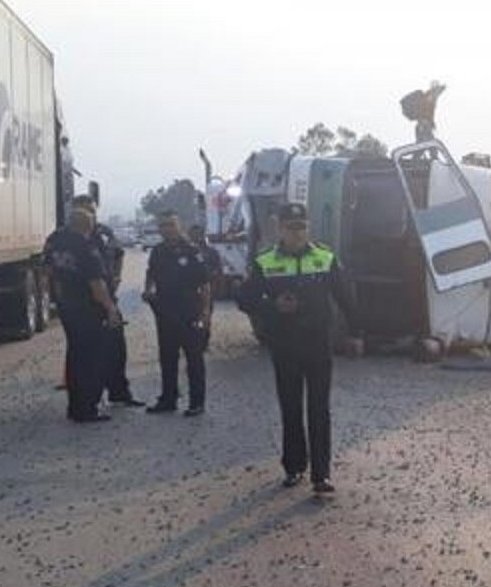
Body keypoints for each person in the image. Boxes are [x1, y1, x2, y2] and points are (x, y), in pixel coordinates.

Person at [237, 203, 362, 494]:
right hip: (284, 346)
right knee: (290, 409)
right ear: (280, 229)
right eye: (291, 227)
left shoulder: (325, 257)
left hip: (318, 344)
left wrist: (356, 333)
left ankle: (322, 474)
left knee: (319, 409)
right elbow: (244, 298)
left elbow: (346, 297)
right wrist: (273, 307)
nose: (297, 233)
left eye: (302, 227)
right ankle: (294, 467)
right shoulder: (265, 261)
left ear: (308, 228)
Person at [45, 208, 121, 423]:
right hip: (89, 310)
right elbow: (96, 284)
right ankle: (88, 408)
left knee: (75, 357)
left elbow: (49, 273)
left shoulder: (58, 243)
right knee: (91, 360)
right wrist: (110, 308)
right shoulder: (86, 247)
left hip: (68, 308)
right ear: (88, 224)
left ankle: (75, 407)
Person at [73, 195, 142, 407]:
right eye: (85, 210)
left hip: (108, 298)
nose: (90, 214)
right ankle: (87, 401)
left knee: (116, 348)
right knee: (87, 354)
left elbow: (119, 254)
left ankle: (119, 392)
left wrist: (117, 276)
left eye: (92, 210)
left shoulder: (104, 232)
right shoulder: (67, 237)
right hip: (84, 303)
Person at [144, 212, 212, 417]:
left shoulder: (192, 251)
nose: (167, 229)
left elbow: (205, 284)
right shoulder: (157, 251)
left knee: (194, 359)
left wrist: (206, 311)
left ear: (179, 226)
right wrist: (148, 290)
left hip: (189, 311)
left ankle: (196, 402)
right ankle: (168, 398)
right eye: (163, 225)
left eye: (171, 225)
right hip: (165, 312)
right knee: (167, 357)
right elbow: (151, 273)